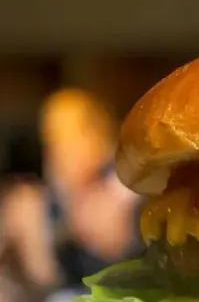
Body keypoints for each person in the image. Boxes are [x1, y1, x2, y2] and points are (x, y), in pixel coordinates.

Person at [38, 88, 143, 290]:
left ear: (96, 133)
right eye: (50, 141)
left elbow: (111, 239)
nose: (57, 151)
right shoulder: (57, 193)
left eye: (65, 137)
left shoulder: (126, 180)